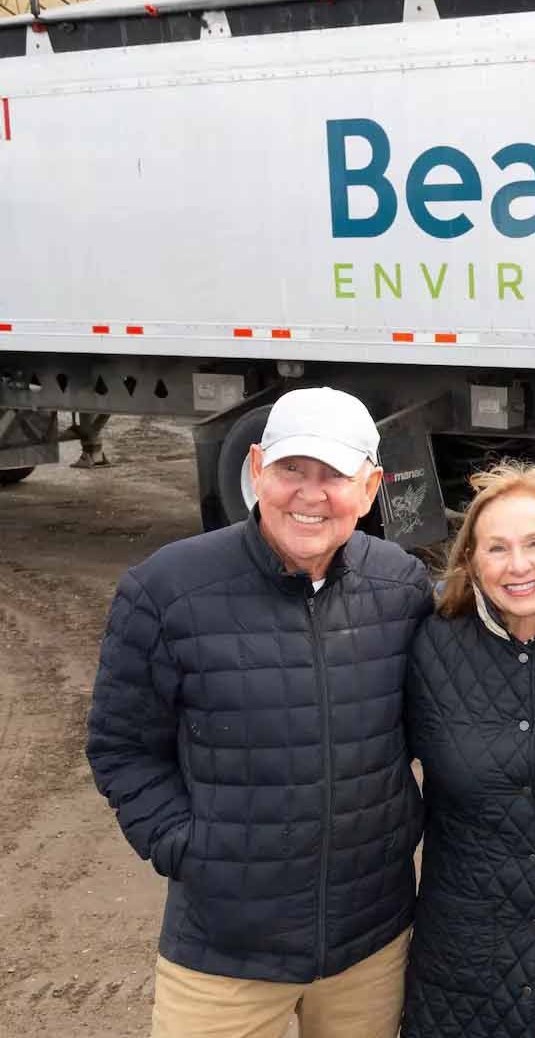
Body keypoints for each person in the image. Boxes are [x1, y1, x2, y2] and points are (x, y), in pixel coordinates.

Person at [86, 386, 433, 1038]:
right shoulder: (166, 590)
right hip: (224, 953)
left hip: (372, 943)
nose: (309, 494)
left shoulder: (401, 586)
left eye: (333, 475)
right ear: (254, 470)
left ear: (372, 486)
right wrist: (191, 850)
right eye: (290, 471)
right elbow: (122, 746)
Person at [403, 463, 535, 1038]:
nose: (518, 565)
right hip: (463, 968)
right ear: (470, 560)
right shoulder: (427, 650)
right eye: (496, 548)